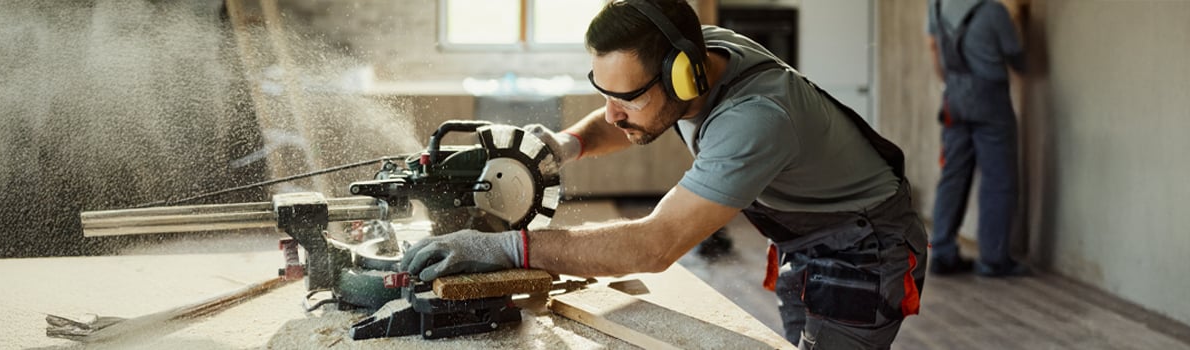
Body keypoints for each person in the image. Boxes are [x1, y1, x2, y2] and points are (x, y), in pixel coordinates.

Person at [403, 0, 927, 348]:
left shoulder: (755, 120)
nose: (611, 112)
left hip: (864, 245)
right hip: (803, 236)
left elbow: (651, 247)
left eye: (626, 97)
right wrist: (566, 145)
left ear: (684, 76)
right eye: (603, 93)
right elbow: (627, 121)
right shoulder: (699, 48)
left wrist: (506, 249)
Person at [924, 0, 1028, 277]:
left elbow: (934, 48)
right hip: (989, 99)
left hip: (953, 97)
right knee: (998, 178)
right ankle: (994, 259)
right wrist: (1018, 20)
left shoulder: (935, 5)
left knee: (953, 175)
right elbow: (1017, 57)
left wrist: (951, 84)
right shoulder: (993, 11)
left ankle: (942, 252)